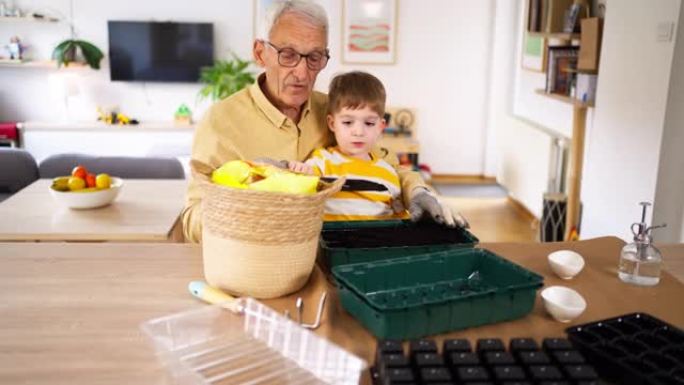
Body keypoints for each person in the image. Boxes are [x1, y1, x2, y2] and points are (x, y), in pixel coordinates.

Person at [181, 0, 462, 243]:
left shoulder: (335, 111)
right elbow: (192, 218)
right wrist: (254, 210)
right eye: (288, 55)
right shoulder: (221, 121)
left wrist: (419, 192)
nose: (302, 73)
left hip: (338, 255)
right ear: (260, 53)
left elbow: (388, 166)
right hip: (262, 262)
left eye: (314, 57)